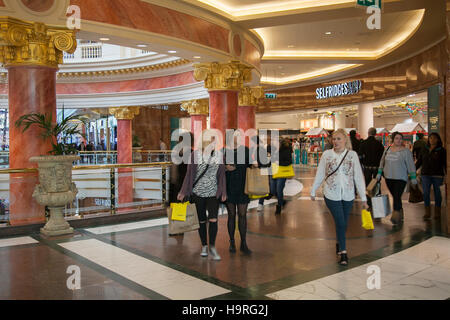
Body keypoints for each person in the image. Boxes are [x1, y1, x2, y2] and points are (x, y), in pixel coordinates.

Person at [311, 129, 368, 266]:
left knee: (343, 224)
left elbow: (358, 177)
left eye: (338, 139)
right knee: (341, 222)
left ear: (345, 140)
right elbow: (320, 174)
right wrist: (313, 190)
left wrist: (363, 197)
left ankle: (339, 242)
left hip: (348, 195)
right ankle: (343, 252)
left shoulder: (352, 155)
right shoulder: (326, 155)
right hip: (331, 194)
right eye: (334, 139)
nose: (335, 141)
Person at [177, 133, 227, 261]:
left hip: (213, 193)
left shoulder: (219, 155)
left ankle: (212, 247)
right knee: (202, 221)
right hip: (197, 193)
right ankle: (204, 245)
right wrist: (183, 191)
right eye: (211, 140)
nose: (214, 142)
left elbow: (221, 176)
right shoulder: (195, 155)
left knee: (213, 220)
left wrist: (223, 191)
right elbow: (189, 175)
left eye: (214, 140)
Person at [377, 132, 417, 225]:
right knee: (396, 196)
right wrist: (379, 173)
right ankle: (400, 212)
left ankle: (395, 216)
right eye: (396, 138)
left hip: (401, 178)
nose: (399, 140)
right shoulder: (387, 149)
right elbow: (382, 161)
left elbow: (411, 165)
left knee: (396, 196)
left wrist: (413, 177)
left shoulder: (406, 151)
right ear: (393, 139)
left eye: (400, 138)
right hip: (388, 177)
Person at [224, 132, 252, 254]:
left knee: (242, 214)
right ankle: (232, 242)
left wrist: (255, 164)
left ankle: (243, 242)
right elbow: (217, 167)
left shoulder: (246, 150)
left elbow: (251, 164)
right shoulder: (223, 151)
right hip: (229, 186)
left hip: (242, 187)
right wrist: (225, 167)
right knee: (231, 215)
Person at [415, 132, 447, 221]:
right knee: (425, 193)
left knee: (438, 194)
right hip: (425, 175)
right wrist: (413, 170)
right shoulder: (424, 149)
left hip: (438, 175)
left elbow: (445, 164)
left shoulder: (442, 150)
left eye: (434, 138)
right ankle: (427, 212)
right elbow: (419, 161)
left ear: (438, 140)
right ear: (428, 139)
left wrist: (447, 175)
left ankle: (437, 213)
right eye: (430, 138)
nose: (432, 139)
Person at [168, 132, 193, 236]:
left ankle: (180, 229)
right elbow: (173, 167)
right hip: (175, 183)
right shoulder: (177, 152)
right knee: (175, 206)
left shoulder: (191, 153)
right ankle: (176, 228)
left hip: (184, 183)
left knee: (182, 206)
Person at [358, 127, 385, 217]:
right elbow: (382, 157)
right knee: (377, 185)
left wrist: (363, 164)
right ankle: (377, 203)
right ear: (375, 133)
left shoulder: (364, 143)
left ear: (368, 133)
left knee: (368, 185)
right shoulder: (379, 144)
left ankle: (369, 202)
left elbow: (360, 156)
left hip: (367, 168)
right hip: (377, 168)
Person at [272, 138, 292, 215]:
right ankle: (282, 201)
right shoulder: (274, 150)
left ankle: (279, 206)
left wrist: (279, 163)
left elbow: (289, 161)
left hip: (282, 173)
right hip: (273, 172)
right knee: (273, 190)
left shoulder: (286, 150)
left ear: (280, 143)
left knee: (279, 189)